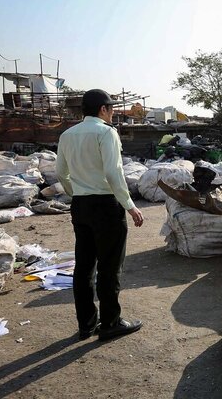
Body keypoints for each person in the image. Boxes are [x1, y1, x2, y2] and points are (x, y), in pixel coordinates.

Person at [56, 89, 145, 341]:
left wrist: (77, 194)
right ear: (103, 109)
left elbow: (61, 173)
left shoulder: (67, 135)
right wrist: (130, 205)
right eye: (112, 109)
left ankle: (86, 324)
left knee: (83, 267)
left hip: (81, 206)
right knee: (109, 266)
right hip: (106, 206)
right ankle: (110, 323)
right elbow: (113, 173)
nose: (113, 113)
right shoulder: (106, 132)